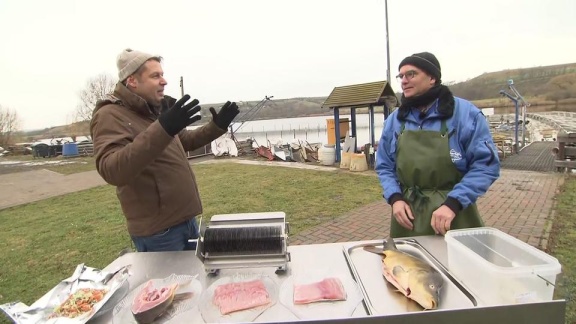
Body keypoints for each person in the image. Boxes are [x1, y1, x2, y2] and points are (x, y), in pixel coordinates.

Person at [90, 48, 239, 252]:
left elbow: (185, 140)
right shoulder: (110, 115)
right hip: (158, 233)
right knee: (171, 285)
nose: (164, 81)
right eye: (155, 76)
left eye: (162, 74)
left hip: (186, 220)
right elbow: (112, 170)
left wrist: (216, 127)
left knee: (193, 280)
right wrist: (164, 127)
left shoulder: (153, 110)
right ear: (132, 81)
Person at [375, 52, 500, 238]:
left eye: (411, 74)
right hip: (408, 218)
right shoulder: (395, 120)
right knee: (407, 266)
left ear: (432, 77)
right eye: (401, 76)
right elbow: (384, 165)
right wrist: (395, 198)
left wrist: (453, 203)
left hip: (455, 215)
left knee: (457, 266)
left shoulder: (466, 115)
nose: (404, 81)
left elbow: (485, 166)